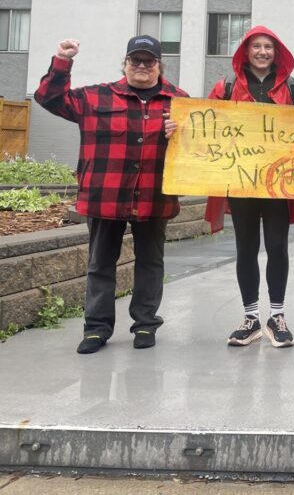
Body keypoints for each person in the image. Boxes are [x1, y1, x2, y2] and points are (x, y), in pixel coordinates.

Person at [34, 36, 189, 354]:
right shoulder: (95, 97)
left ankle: (145, 324)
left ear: (159, 65)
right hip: (105, 196)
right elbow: (49, 98)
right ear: (126, 63)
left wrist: (183, 134)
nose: (142, 66)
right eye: (135, 60)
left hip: (155, 196)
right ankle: (96, 329)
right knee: (101, 264)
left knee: (150, 263)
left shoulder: (181, 103)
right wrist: (63, 60)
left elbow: (199, 148)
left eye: (149, 61)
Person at [204, 26, 294, 348]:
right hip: (240, 181)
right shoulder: (225, 87)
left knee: (277, 246)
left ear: (277, 53)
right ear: (246, 51)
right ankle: (250, 318)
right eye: (256, 46)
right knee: (246, 248)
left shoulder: (293, 88)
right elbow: (205, 125)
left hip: (278, 183)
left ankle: (276, 316)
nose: (262, 52)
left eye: (268, 47)